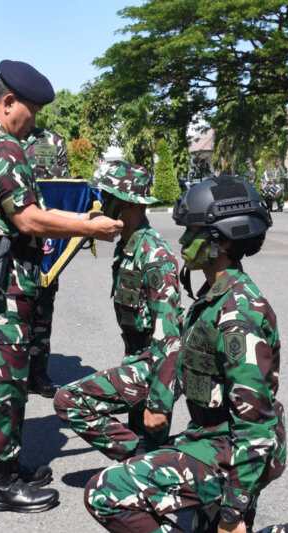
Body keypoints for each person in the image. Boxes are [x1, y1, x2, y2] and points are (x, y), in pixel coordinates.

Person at [83, 176, 288, 533]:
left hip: (230, 449)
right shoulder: (214, 295)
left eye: (191, 232)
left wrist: (232, 512)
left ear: (217, 242)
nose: (182, 242)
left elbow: (256, 428)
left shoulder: (238, 316)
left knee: (106, 492)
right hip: (210, 439)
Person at [0, 60, 123, 513]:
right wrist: (86, 226)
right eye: (32, 110)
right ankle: (0, 485)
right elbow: (26, 217)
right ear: (8, 103)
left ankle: (6, 464)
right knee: (6, 379)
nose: (36, 120)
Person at [54, 160, 182, 461]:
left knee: (69, 400)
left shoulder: (153, 255)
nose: (98, 205)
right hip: (138, 357)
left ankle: (143, 458)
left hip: (157, 365)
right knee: (148, 444)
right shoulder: (128, 245)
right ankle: (146, 461)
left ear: (123, 203)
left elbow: (170, 338)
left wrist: (159, 402)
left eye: (104, 198)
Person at [22, 127, 70, 398]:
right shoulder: (3, 140)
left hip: (47, 240)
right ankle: (14, 372)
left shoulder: (54, 141)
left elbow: (64, 190)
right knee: (13, 309)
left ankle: (38, 373)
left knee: (43, 307)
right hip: (16, 234)